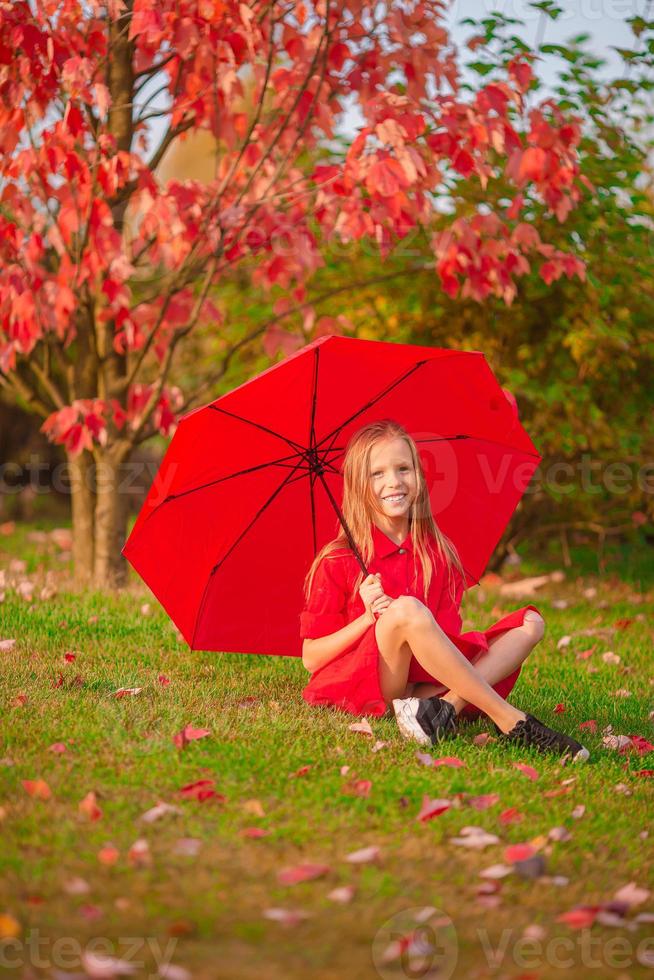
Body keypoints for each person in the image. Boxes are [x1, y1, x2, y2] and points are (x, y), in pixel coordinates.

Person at [299, 419, 589, 762]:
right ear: (359, 484)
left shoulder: (437, 554)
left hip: (424, 683)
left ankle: (443, 710)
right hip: (373, 681)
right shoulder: (338, 559)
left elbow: (445, 642)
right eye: (377, 473)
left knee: (530, 624)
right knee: (406, 610)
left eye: (403, 468)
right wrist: (367, 619)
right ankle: (510, 720)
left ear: (419, 476)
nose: (394, 482)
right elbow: (311, 658)